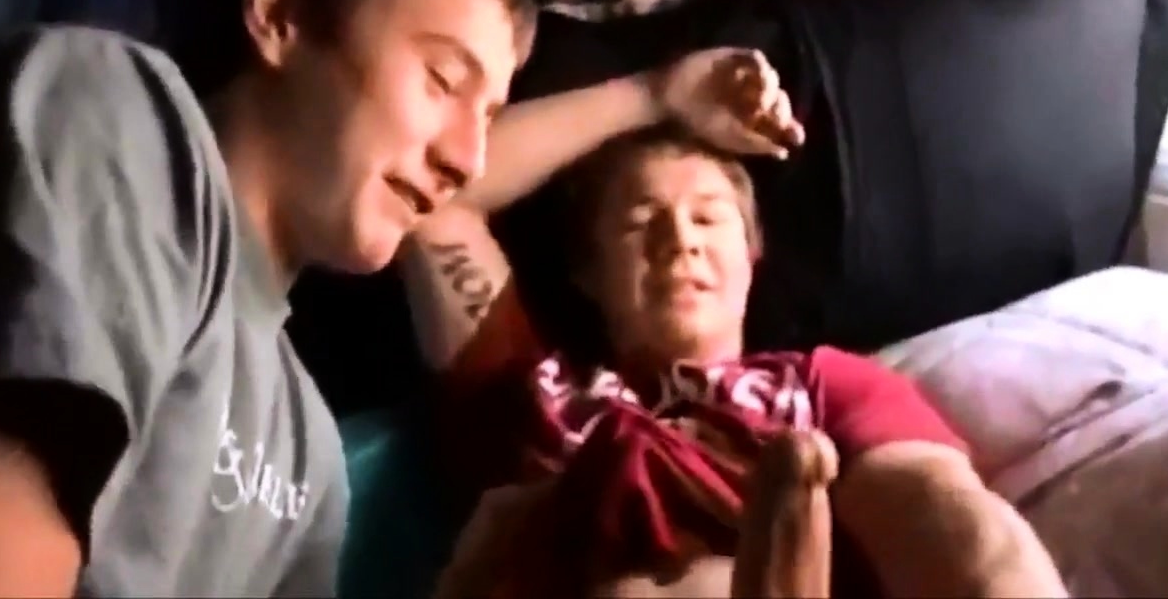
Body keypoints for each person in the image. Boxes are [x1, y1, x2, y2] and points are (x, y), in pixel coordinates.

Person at [0, 0, 676, 596]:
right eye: (443, 80)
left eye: (489, 116)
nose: (468, 159)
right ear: (280, 15)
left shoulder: (308, 454)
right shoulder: (114, 116)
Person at [399, 52, 1070, 597]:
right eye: (639, 222)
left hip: (798, 545)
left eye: (707, 216)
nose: (679, 241)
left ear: (751, 254)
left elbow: (934, 512)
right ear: (587, 271)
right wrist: (655, 93)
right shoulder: (531, 392)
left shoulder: (819, 386)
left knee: (967, 527)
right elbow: (433, 196)